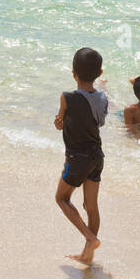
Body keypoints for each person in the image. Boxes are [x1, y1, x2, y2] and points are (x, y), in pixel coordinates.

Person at [53, 47, 108, 265]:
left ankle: (89, 237)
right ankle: (87, 254)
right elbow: (100, 121)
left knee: (62, 198)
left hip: (77, 158)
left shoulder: (67, 97)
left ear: (73, 72)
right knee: (91, 206)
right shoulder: (102, 98)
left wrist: (59, 122)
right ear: (100, 72)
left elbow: (60, 122)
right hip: (97, 156)